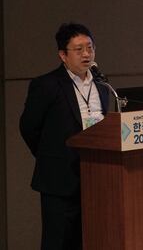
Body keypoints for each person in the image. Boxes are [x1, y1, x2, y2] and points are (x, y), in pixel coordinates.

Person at [19, 23, 110, 250]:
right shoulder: (46, 85)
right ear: (63, 55)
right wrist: (51, 156)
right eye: (79, 49)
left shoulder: (102, 85)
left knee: (91, 240)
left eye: (90, 47)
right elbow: (29, 127)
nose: (86, 54)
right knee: (58, 242)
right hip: (59, 179)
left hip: (96, 178)